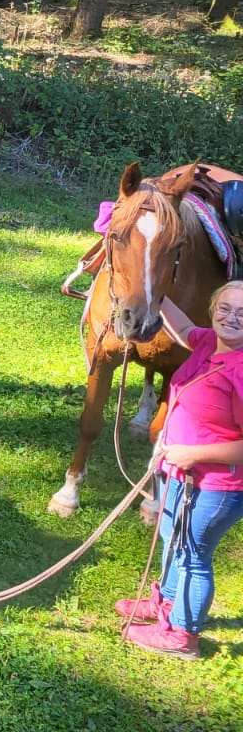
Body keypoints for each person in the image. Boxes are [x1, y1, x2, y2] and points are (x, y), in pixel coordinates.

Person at [115, 282, 243, 658]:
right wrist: (152, 288)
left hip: (215, 485)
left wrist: (191, 453)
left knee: (192, 555)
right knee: (174, 538)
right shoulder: (207, 343)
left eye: (242, 314)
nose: (230, 318)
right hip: (180, 472)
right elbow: (185, 329)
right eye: (224, 309)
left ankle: (182, 636)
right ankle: (167, 602)